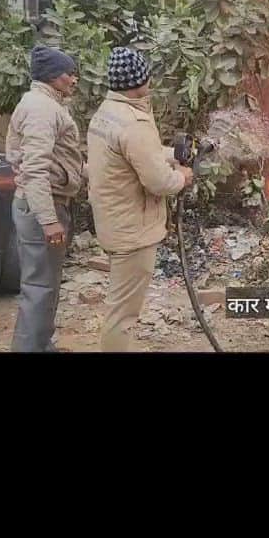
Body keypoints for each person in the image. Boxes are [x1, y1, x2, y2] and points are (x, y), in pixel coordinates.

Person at [87, 47, 193, 352]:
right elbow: (159, 182)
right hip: (133, 232)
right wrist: (182, 176)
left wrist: (170, 155)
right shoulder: (134, 123)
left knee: (120, 307)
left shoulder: (107, 113)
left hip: (114, 223)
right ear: (139, 81)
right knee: (122, 315)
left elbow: (135, 155)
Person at [6, 44, 85, 352]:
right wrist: (49, 220)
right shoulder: (41, 109)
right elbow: (35, 170)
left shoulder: (45, 104)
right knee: (38, 288)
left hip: (46, 202)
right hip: (42, 205)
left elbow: (60, 161)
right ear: (53, 76)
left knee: (46, 285)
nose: (74, 79)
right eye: (69, 73)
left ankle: (42, 345)